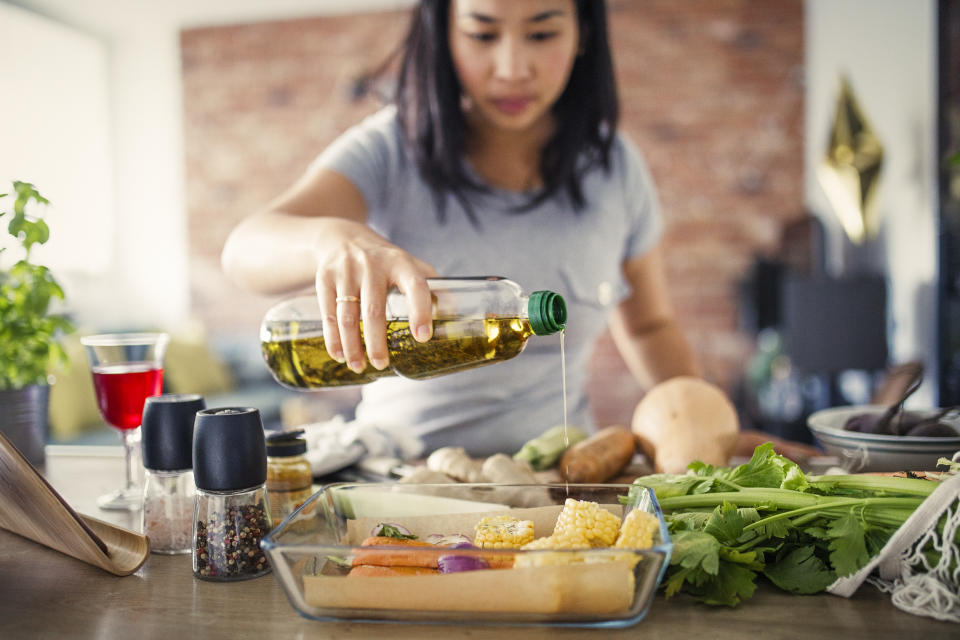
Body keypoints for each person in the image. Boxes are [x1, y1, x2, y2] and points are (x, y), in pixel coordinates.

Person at [222, 0, 702, 458]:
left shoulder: (615, 167)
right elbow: (244, 250)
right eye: (482, 33)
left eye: (542, 33)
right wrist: (336, 241)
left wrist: (704, 423)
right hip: (402, 481)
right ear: (444, 35)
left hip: (560, 481)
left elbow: (649, 325)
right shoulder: (390, 148)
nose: (513, 68)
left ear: (583, 35)